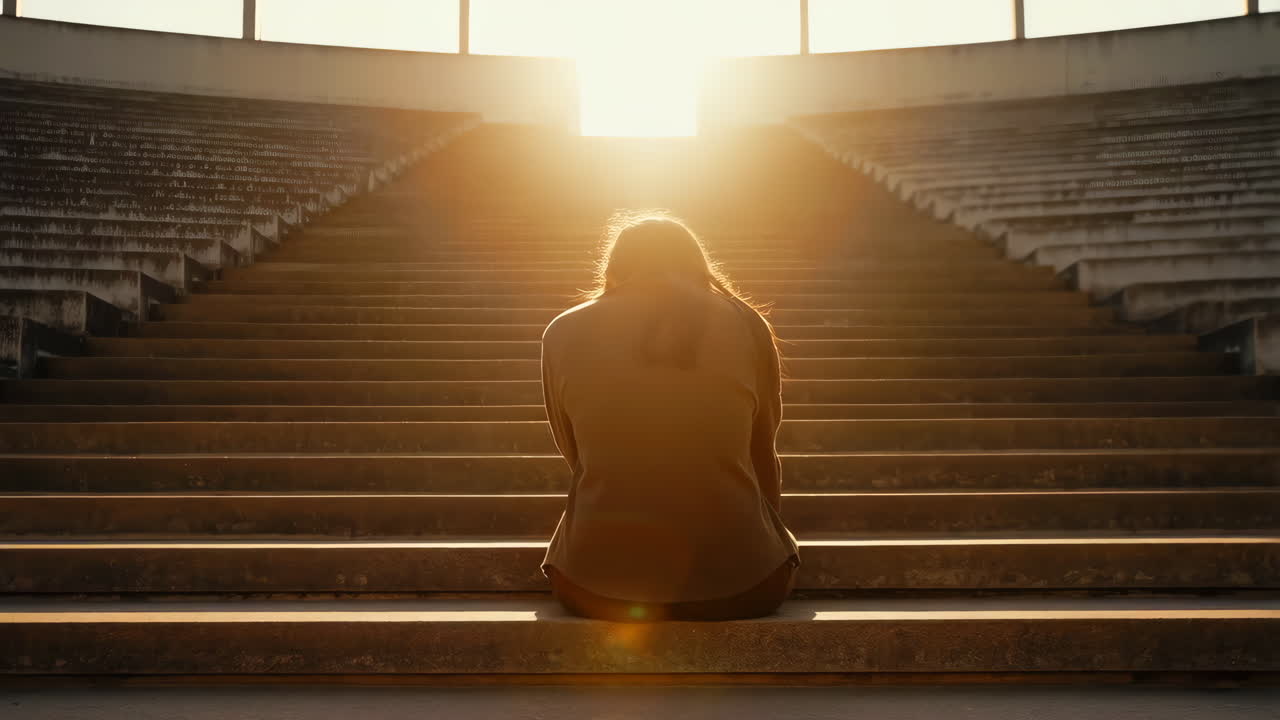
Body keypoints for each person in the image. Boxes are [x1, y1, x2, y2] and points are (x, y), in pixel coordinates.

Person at [539, 212, 801, 622]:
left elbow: (577, 455)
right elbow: (761, 450)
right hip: (746, 587)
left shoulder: (561, 330)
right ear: (696, 262)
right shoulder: (747, 323)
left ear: (616, 265)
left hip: (592, 587)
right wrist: (762, 540)